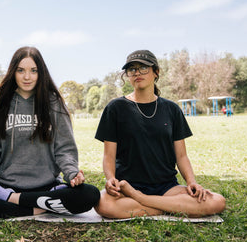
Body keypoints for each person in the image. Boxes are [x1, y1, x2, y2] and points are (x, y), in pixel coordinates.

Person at [0, 46, 100, 221]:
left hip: (47, 187)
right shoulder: (0, 106)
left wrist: (72, 174)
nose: (27, 77)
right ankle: (40, 207)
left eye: (33, 71)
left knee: (89, 195)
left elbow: (64, 149)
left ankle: (14, 202)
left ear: (41, 73)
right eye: (21, 70)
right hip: (7, 185)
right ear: (13, 72)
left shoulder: (54, 104)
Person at [94, 50, 226, 219]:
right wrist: (111, 178)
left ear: (156, 72)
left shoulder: (171, 109)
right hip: (126, 187)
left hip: (167, 188)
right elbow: (108, 156)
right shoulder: (115, 108)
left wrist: (192, 182)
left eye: (143, 68)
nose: (137, 73)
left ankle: (143, 200)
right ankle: (175, 208)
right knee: (103, 204)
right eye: (132, 69)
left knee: (217, 201)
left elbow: (182, 156)